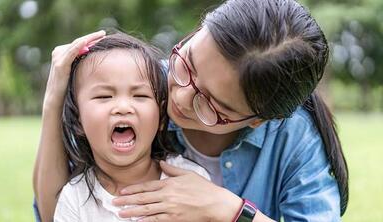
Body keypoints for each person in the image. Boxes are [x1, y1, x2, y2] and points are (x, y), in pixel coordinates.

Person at [33, 0, 349, 221]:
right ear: (198, 30)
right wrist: (54, 100)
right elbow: (53, 211)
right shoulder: (138, 89)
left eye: (211, 104)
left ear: (258, 120)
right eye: (188, 63)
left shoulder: (294, 135)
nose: (180, 98)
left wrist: (230, 210)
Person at [51, 33, 210, 221]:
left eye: (140, 96)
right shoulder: (74, 198)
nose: (123, 108)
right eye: (104, 96)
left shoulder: (190, 180)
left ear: (160, 117)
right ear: (78, 120)